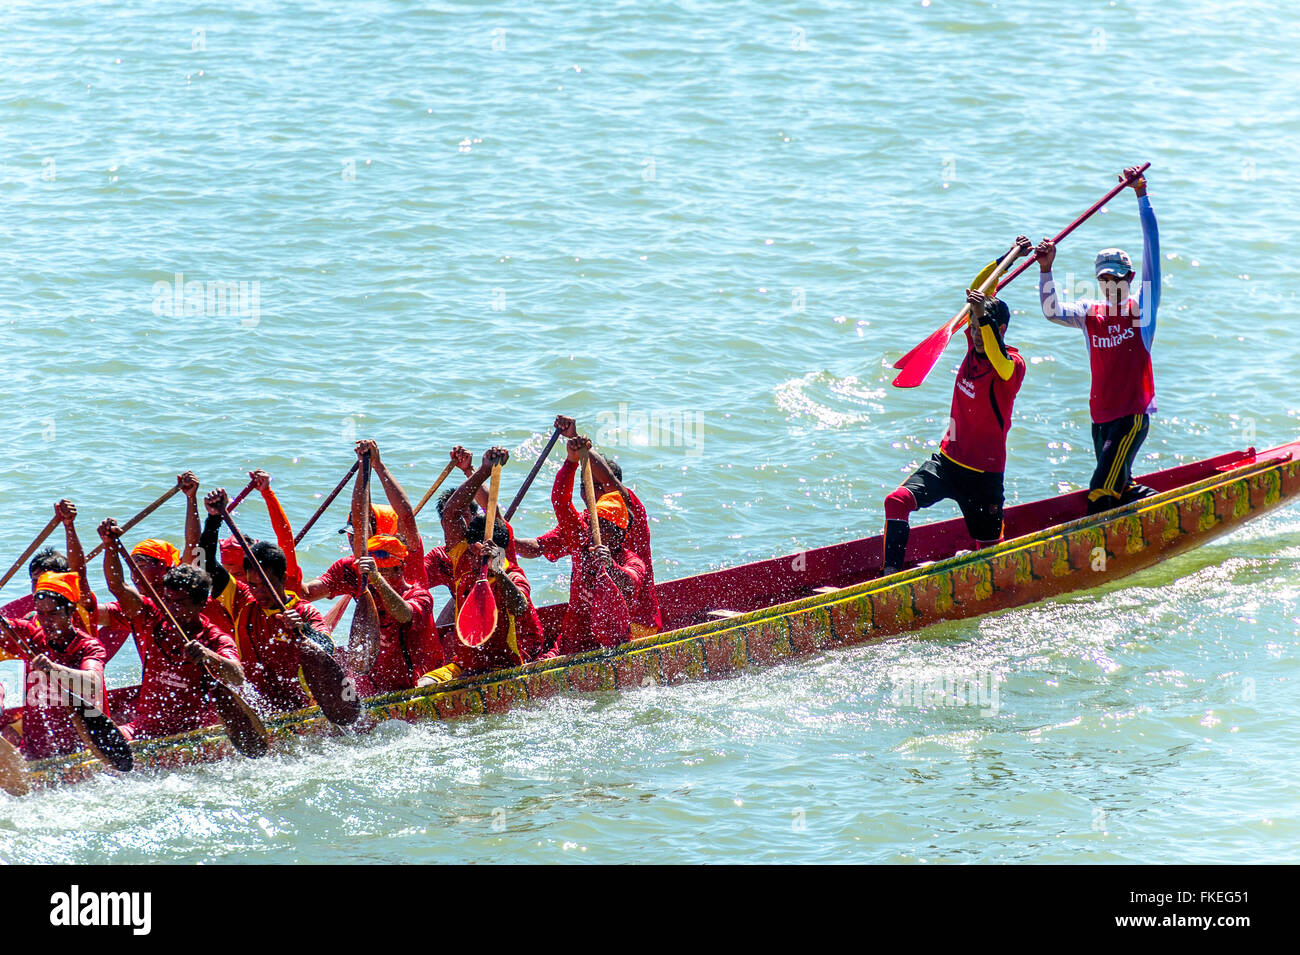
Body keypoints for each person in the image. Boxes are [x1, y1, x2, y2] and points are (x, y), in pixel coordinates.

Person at [881, 237, 1033, 575]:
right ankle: (889, 577)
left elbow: (997, 354)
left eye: (982, 330)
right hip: (947, 462)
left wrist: (982, 316)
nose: (975, 335)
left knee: (990, 556)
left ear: (1000, 329)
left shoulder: (1012, 366)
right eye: (974, 329)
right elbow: (976, 288)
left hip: (984, 477)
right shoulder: (972, 340)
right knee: (896, 502)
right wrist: (1005, 259)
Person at [1036, 165, 1161, 514]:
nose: (1113, 285)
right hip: (1100, 418)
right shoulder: (1089, 313)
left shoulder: (1143, 309)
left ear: (1130, 277)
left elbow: (1153, 248)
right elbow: (1050, 309)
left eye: (1119, 278)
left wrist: (1141, 196)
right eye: (1106, 279)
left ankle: (1097, 554)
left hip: (1131, 417)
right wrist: (1046, 268)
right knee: (1118, 486)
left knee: (1099, 491)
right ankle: (1149, 505)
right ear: (1099, 280)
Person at [303, 442, 438, 693]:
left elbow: (406, 516)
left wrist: (377, 465)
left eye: (359, 533)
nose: (352, 539)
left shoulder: (407, 557)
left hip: (420, 670)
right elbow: (306, 593)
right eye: (351, 534)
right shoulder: (355, 567)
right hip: (375, 670)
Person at [97, 518, 243, 741]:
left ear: (201, 604)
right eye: (168, 600)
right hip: (147, 724)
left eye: (180, 603)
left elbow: (237, 676)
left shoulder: (214, 638)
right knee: (105, 741)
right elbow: (117, 586)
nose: (171, 608)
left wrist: (209, 656)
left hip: (197, 730)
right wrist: (110, 545)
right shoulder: (151, 615)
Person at [517, 415, 661, 637]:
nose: (591, 495)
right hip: (587, 629)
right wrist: (501, 538)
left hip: (634, 624)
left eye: (598, 487)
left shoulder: (628, 512)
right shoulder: (582, 526)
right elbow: (539, 545)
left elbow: (610, 482)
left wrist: (577, 443)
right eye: (586, 488)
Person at [201, 488, 329, 712]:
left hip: (302, 707)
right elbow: (206, 565)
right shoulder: (242, 599)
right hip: (257, 706)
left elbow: (328, 647)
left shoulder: (304, 612)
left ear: (281, 578)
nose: (258, 593)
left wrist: (304, 629)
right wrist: (213, 519)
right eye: (253, 585)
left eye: (265, 585)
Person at [426, 447, 542, 681]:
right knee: (423, 683)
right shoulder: (461, 557)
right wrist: (483, 470)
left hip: (505, 665)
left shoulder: (510, 568)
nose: (475, 551)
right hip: (463, 665)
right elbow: (451, 513)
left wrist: (497, 571)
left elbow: (519, 606)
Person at [0, 571, 108, 760]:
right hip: (34, 750)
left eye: (54, 614)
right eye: (41, 613)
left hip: (81, 750)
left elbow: (92, 683)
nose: (46, 621)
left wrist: (53, 669)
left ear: (71, 611)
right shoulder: (31, 636)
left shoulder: (88, 646)